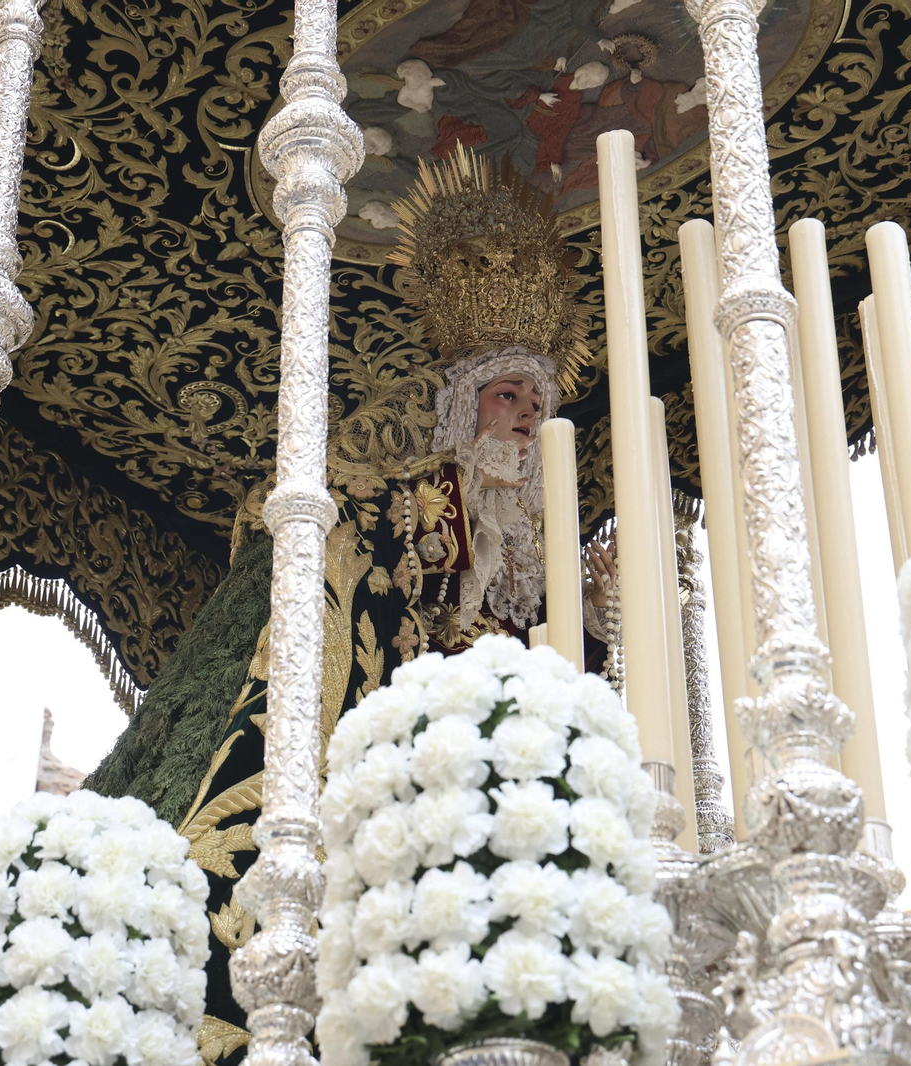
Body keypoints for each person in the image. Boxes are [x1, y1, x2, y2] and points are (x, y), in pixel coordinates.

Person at [84, 145, 590, 1065]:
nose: (522, 415)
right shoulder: (405, 498)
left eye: (535, 403)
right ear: (465, 410)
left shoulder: (544, 555)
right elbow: (342, 548)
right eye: (505, 396)